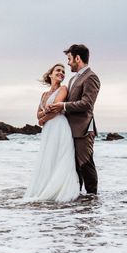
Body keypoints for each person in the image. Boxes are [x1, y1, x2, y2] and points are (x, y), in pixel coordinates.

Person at [44, 44, 100, 194]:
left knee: (85, 164)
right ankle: (77, 198)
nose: (68, 63)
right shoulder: (72, 80)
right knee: (74, 167)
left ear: (77, 58)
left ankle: (92, 199)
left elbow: (87, 104)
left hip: (83, 129)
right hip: (70, 130)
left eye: (69, 59)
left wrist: (63, 105)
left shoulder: (91, 77)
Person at [24, 63, 80, 202]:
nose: (61, 73)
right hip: (49, 129)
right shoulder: (44, 94)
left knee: (60, 156)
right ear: (50, 74)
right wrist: (42, 118)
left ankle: (59, 189)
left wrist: (42, 120)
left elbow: (56, 109)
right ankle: (46, 186)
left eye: (63, 71)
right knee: (48, 157)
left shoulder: (63, 89)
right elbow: (37, 114)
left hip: (59, 126)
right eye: (58, 70)